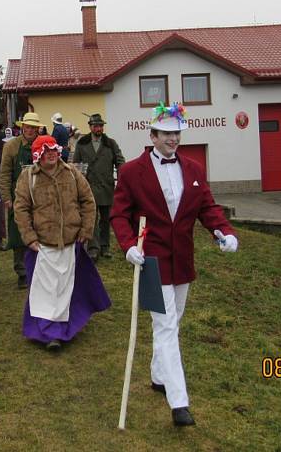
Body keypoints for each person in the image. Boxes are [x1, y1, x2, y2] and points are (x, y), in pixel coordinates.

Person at [110, 102, 238, 427]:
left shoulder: (193, 169)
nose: (173, 139)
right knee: (166, 327)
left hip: (182, 260)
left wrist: (223, 231)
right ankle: (179, 403)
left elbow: (207, 207)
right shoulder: (131, 172)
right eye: (166, 133)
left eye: (176, 133)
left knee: (171, 323)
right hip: (151, 260)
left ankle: (157, 376)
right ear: (152, 135)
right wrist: (128, 247)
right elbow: (119, 215)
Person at [13, 135, 110, 350]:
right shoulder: (28, 178)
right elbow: (21, 210)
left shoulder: (72, 173)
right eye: (46, 151)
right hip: (42, 245)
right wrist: (29, 237)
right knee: (45, 291)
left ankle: (62, 329)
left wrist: (86, 229)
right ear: (38, 154)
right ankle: (48, 332)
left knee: (66, 289)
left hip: (70, 242)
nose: (51, 155)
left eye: (54, 151)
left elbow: (88, 201)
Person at [0, 112, 45, 289]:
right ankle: (22, 273)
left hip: (41, 197)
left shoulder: (44, 143)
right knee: (19, 235)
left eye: (34, 127)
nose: (30, 130)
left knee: (41, 231)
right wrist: (6, 197)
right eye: (27, 126)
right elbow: (5, 173)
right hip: (18, 197)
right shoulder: (11, 146)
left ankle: (39, 270)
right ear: (22, 127)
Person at [72, 113, 125, 261]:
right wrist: (79, 182)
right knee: (91, 219)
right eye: (96, 126)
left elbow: (120, 161)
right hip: (88, 188)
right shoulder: (82, 143)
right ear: (90, 127)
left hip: (107, 186)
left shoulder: (110, 143)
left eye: (101, 126)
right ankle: (93, 248)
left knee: (106, 219)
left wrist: (122, 178)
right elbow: (76, 165)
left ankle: (105, 247)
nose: (99, 128)